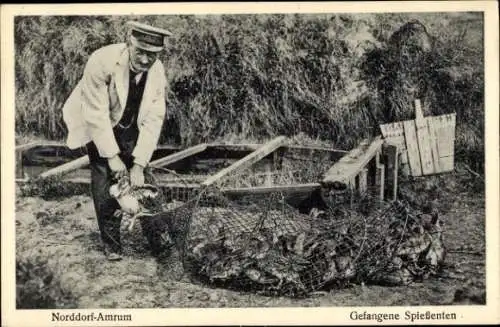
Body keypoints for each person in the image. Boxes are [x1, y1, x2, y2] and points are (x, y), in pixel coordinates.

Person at [62, 21, 172, 261]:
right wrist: (112, 157)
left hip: (129, 125)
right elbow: (96, 114)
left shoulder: (157, 70)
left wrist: (139, 165)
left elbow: (155, 118)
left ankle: (159, 240)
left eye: (152, 54)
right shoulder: (102, 61)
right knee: (104, 179)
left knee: (145, 185)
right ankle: (111, 245)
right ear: (128, 43)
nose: (145, 59)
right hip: (96, 122)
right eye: (140, 51)